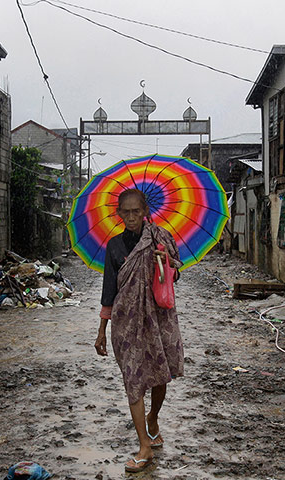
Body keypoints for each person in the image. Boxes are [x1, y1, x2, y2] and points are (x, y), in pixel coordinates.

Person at [95, 188, 184, 474]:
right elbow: (110, 289)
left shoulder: (161, 238)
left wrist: (165, 262)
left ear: (145, 212)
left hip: (159, 318)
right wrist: (101, 330)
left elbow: (176, 274)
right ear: (118, 213)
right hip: (126, 321)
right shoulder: (114, 247)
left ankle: (153, 417)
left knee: (161, 376)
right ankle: (144, 445)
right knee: (133, 379)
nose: (131, 217)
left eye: (136, 211)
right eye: (126, 211)